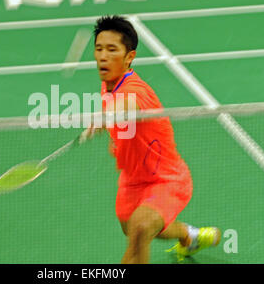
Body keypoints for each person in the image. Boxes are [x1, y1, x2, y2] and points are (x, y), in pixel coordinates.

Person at [81, 15, 221, 264]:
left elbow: (128, 103)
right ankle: (190, 236)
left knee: (141, 227)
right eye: (99, 49)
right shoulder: (108, 83)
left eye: (112, 50)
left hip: (166, 179)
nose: (103, 56)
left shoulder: (137, 91)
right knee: (141, 228)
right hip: (132, 180)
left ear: (129, 57)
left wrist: (107, 116)